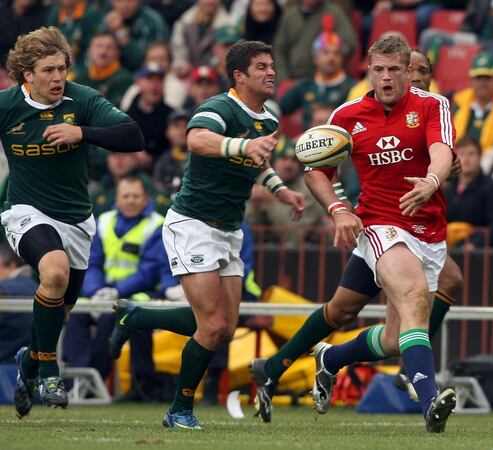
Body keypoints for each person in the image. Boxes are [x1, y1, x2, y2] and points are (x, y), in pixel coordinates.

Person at [107, 39, 304, 430]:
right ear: (239, 76)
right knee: (211, 325)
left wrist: (282, 190)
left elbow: (256, 163)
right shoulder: (218, 108)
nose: (271, 72)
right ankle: (179, 409)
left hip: (229, 229)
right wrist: (243, 145)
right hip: (193, 225)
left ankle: (138, 317)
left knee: (225, 329)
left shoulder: (268, 119)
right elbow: (197, 139)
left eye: (271, 65)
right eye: (262, 67)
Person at [304, 35, 457, 433]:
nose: (385, 78)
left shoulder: (431, 104)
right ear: (368, 71)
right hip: (378, 224)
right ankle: (429, 403)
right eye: (378, 70)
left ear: (409, 71)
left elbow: (442, 149)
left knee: (394, 337)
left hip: (428, 229)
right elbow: (316, 170)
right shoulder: (348, 115)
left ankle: (330, 359)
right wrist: (338, 210)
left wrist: (431, 180)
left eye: (394, 70)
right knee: (413, 298)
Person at [1, 27, 145, 417]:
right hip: (24, 212)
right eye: (48, 70)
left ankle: (29, 362)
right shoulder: (7, 106)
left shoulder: (81, 100)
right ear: (27, 75)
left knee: (59, 313)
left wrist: (81, 132)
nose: (58, 77)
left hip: (77, 222)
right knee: (55, 270)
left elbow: (134, 136)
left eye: (62, 68)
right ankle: (50, 371)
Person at [62, 175, 174, 391]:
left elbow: (149, 271)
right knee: (76, 313)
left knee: (109, 318)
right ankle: (75, 378)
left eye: (136, 196)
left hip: (138, 293)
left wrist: (115, 292)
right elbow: (90, 262)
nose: (130, 200)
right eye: (126, 196)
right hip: (101, 292)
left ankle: (93, 380)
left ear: (145, 198)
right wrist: (96, 291)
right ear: (118, 198)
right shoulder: (102, 221)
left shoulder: (157, 225)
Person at [445, 137, 493, 247]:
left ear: (480, 157)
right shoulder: (448, 191)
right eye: (461, 154)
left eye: (471, 154)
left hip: (487, 255)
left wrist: (474, 243)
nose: (466, 159)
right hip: (453, 251)